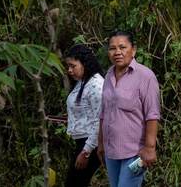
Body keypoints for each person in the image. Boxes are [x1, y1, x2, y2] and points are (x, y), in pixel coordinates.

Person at [97, 30, 160, 187]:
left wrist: (150, 148)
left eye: (122, 47)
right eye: (112, 48)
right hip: (111, 151)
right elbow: (103, 113)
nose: (117, 52)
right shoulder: (108, 76)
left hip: (135, 154)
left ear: (134, 50)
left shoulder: (146, 77)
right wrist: (101, 143)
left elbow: (152, 115)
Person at [64, 44, 104, 187]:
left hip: (90, 143)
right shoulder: (82, 82)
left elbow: (100, 120)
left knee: (73, 183)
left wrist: (86, 152)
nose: (70, 70)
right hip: (84, 141)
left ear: (84, 63)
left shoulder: (96, 85)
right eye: (68, 66)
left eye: (73, 66)